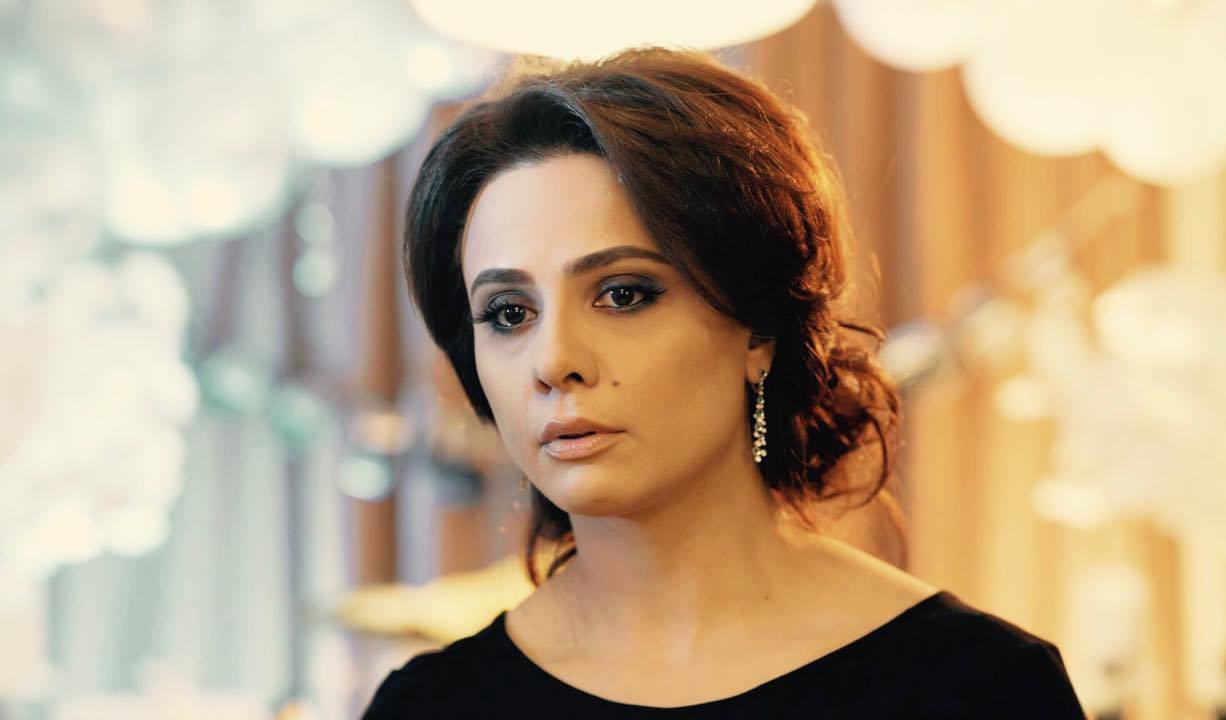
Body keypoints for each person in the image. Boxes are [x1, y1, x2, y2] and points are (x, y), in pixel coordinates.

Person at [363, 46, 1087, 718]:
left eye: (623, 294)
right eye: (509, 313)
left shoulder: (978, 686)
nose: (553, 361)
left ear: (759, 330)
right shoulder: (428, 708)